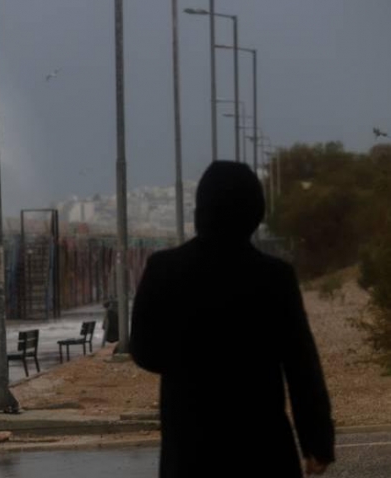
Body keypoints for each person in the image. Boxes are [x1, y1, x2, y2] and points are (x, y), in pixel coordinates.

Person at [130, 161, 335, 477]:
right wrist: (317, 442)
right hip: (263, 451)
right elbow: (301, 366)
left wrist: (189, 361)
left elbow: (144, 351)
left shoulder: (164, 269)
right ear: (255, 211)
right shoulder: (275, 277)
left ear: (201, 210)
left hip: (190, 450)